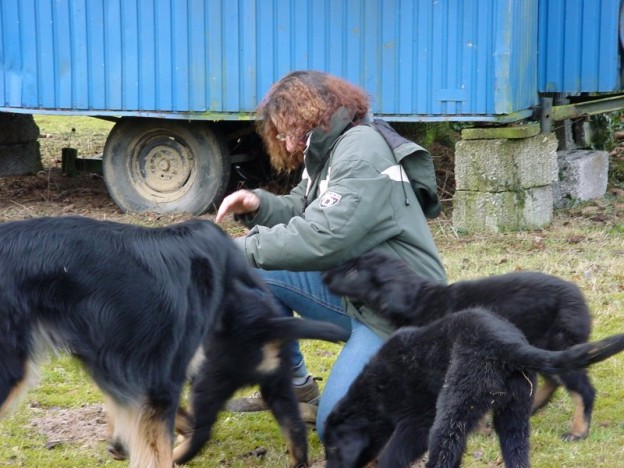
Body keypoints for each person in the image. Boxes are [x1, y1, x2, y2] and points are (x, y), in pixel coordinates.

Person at [215, 70, 447, 440]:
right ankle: (294, 385)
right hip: (359, 293)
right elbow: (305, 209)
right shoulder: (329, 150)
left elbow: (324, 236)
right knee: (254, 276)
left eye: (289, 131)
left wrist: (233, 250)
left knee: (338, 430)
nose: (288, 145)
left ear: (312, 116)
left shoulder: (361, 151)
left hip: (400, 313)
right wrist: (259, 206)